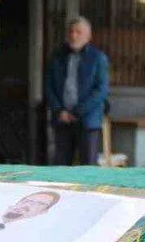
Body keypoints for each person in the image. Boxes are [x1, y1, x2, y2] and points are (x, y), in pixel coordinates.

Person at [45, 17, 110, 166]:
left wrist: (77, 112)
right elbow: (49, 86)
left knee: (87, 166)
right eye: (71, 32)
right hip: (62, 120)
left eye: (78, 32)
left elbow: (101, 90)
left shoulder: (97, 58)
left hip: (87, 121)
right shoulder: (57, 57)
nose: (73, 35)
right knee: (61, 166)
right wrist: (59, 110)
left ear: (88, 36)